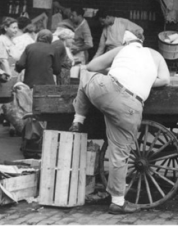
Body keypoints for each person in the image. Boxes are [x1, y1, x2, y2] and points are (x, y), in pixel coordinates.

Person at [68, 29, 170, 215]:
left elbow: (91, 66)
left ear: (125, 43)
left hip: (107, 92)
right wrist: (144, 80)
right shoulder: (155, 55)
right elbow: (165, 79)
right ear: (142, 40)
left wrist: (110, 69)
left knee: (84, 75)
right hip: (131, 106)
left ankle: (78, 119)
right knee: (119, 155)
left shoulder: (122, 50)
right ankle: (117, 202)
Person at [0, 17, 21, 119]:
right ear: (6, 28)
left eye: (17, 28)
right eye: (13, 27)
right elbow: (3, 60)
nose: (16, 30)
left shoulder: (11, 40)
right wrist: (8, 75)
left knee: (6, 103)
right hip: (4, 77)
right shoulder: (1, 40)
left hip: (12, 75)